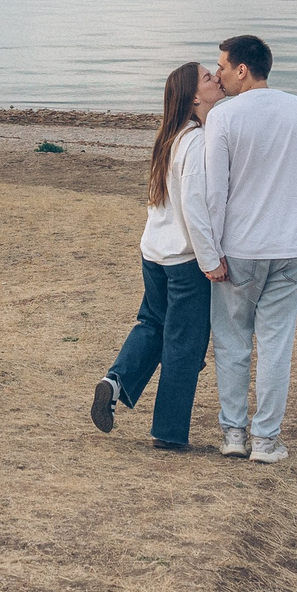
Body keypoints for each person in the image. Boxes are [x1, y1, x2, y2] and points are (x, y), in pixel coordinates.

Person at [186, 33, 297, 465]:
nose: (220, 73)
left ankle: (233, 433)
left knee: (232, 343)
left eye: (223, 66)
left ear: (242, 69)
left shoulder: (224, 118)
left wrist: (209, 254)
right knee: (276, 343)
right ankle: (266, 439)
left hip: (240, 250)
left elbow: (215, 193)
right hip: (289, 248)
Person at [89, 61, 223, 450]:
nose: (215, 77)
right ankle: (168, 432)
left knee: (152, 323)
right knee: (184, 342)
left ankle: (114, 382)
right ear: (194, 96)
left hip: (154, 252)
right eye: (206, 76)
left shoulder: (169, 136)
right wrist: (209, 259)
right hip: (184, 258)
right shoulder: (195, 140)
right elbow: (195, 207)